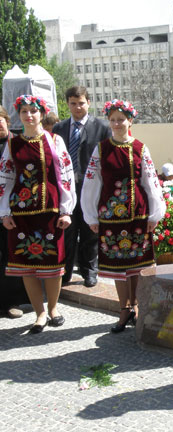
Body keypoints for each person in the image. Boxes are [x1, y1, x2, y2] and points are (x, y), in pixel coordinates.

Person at [81, 99, 165, 333]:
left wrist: (155, 212)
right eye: (113, 120)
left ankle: (136, 306)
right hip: (110, 216)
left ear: (130, 121)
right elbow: (91, 184)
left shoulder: (140, 148)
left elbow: (151, 181)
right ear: (109, 122)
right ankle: (123, 308)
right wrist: (91, 216)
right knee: (118, 265)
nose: (117, 123)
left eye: (121, 119)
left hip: (137, 213)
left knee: (136, 264)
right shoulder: (101, 149)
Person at [0, 95, 76, 333]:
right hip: (22, 215)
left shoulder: (55, 140)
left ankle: (53, 308)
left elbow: (66, 175)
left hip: (50, 213)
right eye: (24, 111)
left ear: (42, 114)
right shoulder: (13, 144)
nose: (29, 115)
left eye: (33, 111)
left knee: (52, 264)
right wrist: (4, 212)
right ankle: (39, 314)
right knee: (26, 265)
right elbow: (5, 178)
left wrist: (67, 209)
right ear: (19, 115)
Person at [53, 86, 111, 287]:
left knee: (90, 231)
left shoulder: (102, 128)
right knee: (68, 231)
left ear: (88, 103)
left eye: (81, 103)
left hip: (90, 188)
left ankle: (90, 271)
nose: (78, 107)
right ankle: (66, 272)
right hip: (66, 188)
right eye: (73, 103)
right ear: (68, 104)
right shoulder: (59, 129)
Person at [0, 106, 29, 319]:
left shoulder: (18, 143)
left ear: (7, 120)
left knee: (11, 255)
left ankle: (11, 301)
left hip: (13, 209)